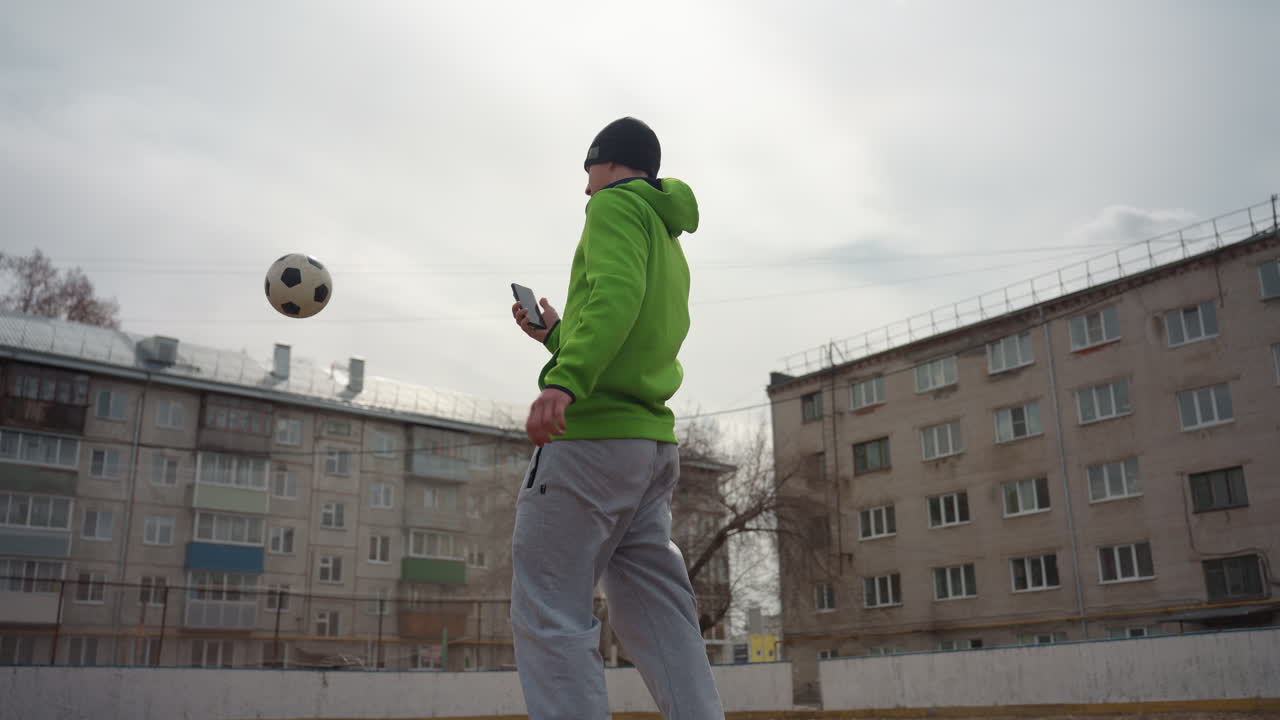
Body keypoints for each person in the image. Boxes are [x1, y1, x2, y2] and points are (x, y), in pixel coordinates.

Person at [508, 117, 724, 720]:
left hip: (593, 444)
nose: (584, 190)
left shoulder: (612, 207)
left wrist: (564, 381)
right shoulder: (666, 233)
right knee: (659, 614)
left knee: (549, 611)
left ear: (608, 163)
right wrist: (557, 337)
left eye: (588, 172)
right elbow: (634, 325)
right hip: (648, 448)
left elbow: (614, 296)